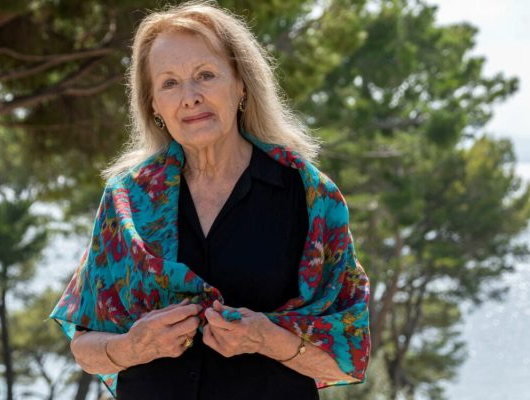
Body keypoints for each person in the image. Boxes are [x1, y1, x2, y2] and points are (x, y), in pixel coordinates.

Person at [49, 1, 371, 399]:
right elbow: (84, 348)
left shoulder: (310, 197)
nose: (190, 97)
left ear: (241, 84)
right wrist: (133, 346)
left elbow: (347, 357)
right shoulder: (126, 201)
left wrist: (266, 339)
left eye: (205, 75)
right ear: (154, 106)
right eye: (169, 83)